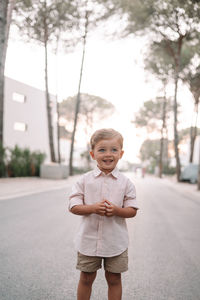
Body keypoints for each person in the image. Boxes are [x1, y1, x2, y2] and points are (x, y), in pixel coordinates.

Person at [68, 128, 139, 300]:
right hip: (88, 240)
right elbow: (73, 206)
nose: (108, 154)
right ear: (93, 154)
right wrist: (92, 208)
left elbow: (132, 210)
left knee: (114, 278)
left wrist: (117, 211)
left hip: (116, 242)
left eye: (114, 149)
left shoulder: (126, 183)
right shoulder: (84, 180)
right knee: (86, 278)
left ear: (121, 153)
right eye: (102, 150)